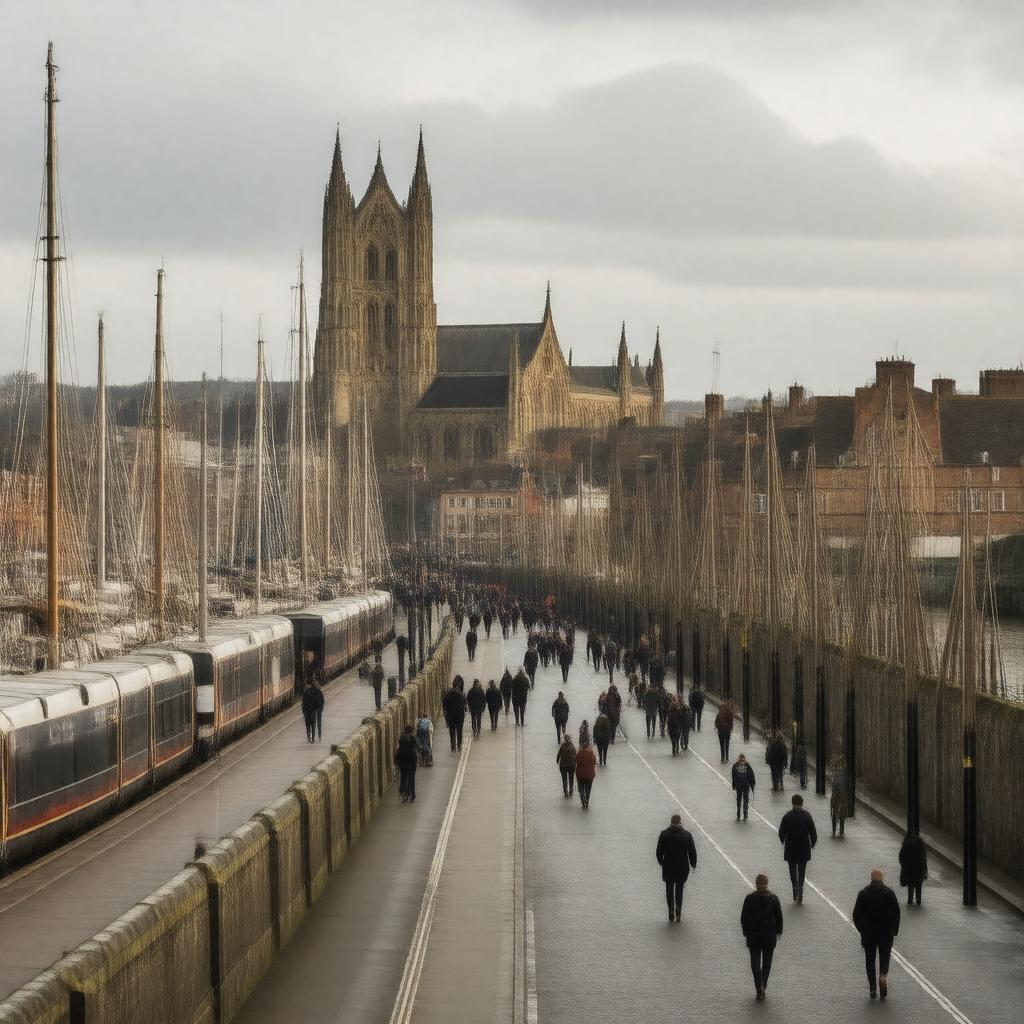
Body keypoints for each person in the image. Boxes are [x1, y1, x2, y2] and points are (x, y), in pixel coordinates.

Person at [852, 868, 901, 1000]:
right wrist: (894, 929)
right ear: (882, 879)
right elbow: (896, 912)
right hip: (886, 933)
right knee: (884, 957)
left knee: (870, 960)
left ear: (871, 879)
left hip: (869, 933)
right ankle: (883, 976)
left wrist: (861, 929)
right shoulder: (889, 893)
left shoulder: (863, 894)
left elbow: (856, 914)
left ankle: (873, 987)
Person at [741, 873, 784, 1001]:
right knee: (767, 962)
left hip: (754, 936)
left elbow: (744, 917)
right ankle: (763, 985)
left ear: (756, 884)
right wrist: (778, 931)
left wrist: (745, 931)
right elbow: (779, 917)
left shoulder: (749, 899)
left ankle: (759, 987)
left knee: (755, 962)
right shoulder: (774, 899)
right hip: (769, 936)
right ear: (767, 884)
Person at [655, 813, 698, 922]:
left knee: (669, 888)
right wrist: (693, 864)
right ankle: (678, 909)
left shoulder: (664, 834)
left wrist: (662, 862)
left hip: (668, 867)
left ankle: (670, 910)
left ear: (671, 822)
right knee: (679, 888)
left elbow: (659, 852)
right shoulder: (687, 835)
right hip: (682, 867)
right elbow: (692, 851)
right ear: (680, 822)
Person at [777, 794, 817, 903]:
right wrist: (812, 843)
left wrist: (782, 840)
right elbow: (813, 832)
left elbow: (781, 832)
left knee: (792, 869)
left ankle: (794, 887)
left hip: (791, 847)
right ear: (802, 803)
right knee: (802, 870)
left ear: (792, 803)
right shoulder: (807, 816)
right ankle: (800, 888)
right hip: (804, 848)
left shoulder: (788, 816)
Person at [898, 831, 928, 906]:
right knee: (918, 884)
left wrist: (904, 866)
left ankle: (910, 900)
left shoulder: (906, 843)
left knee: (910, 884)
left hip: (909, 868)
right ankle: (918, 900)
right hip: (919, 868)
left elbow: (901, 856)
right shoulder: (920, 842)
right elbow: (924, 856)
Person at [395, 724, 419, 803]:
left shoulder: (401, 738)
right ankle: (412, 794)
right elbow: (419, 746)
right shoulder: (413, 738)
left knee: (403, 777)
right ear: (412, 730)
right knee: (411, 778)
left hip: (402, 761)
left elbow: (397, 749)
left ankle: (403, 793)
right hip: (412, 760)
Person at [442, 678, 467, 752]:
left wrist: (446, 718)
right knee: (459, 731)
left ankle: (453, 745)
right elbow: (465, 704)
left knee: (452, 731)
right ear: (458, 687)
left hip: (451, 716)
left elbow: (444, 706)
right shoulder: (461, 695)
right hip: (459, 716)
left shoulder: (448, 695)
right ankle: (459, 745)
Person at [732, 753, 756, 821]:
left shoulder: (735, 766)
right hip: (745, 785)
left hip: (739, 785)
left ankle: (739, 812)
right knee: (745, 799)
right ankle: (745, 813)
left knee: (739, 799)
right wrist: (752, 785)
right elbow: (752, 776)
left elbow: (734, 777)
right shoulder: (747, 766)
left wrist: (734, 785)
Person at [830, 756, 849, 838]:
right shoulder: (843, 775)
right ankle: (840, 831)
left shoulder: (836, 775)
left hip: (836, 798)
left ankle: (835, 831)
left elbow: (834, 787)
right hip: (841, 798)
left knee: (835, 814)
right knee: (841, 815)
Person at [575, 741, 597, 808]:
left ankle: (583, 802)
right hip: (589, 775)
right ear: (588, 747)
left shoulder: (579, 753)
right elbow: (594, 762)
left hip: (580, 775)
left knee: (581, 788)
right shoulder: (591, 754)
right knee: (588, 789)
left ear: (582, 747)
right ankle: (587, 801)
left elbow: (575, 760)